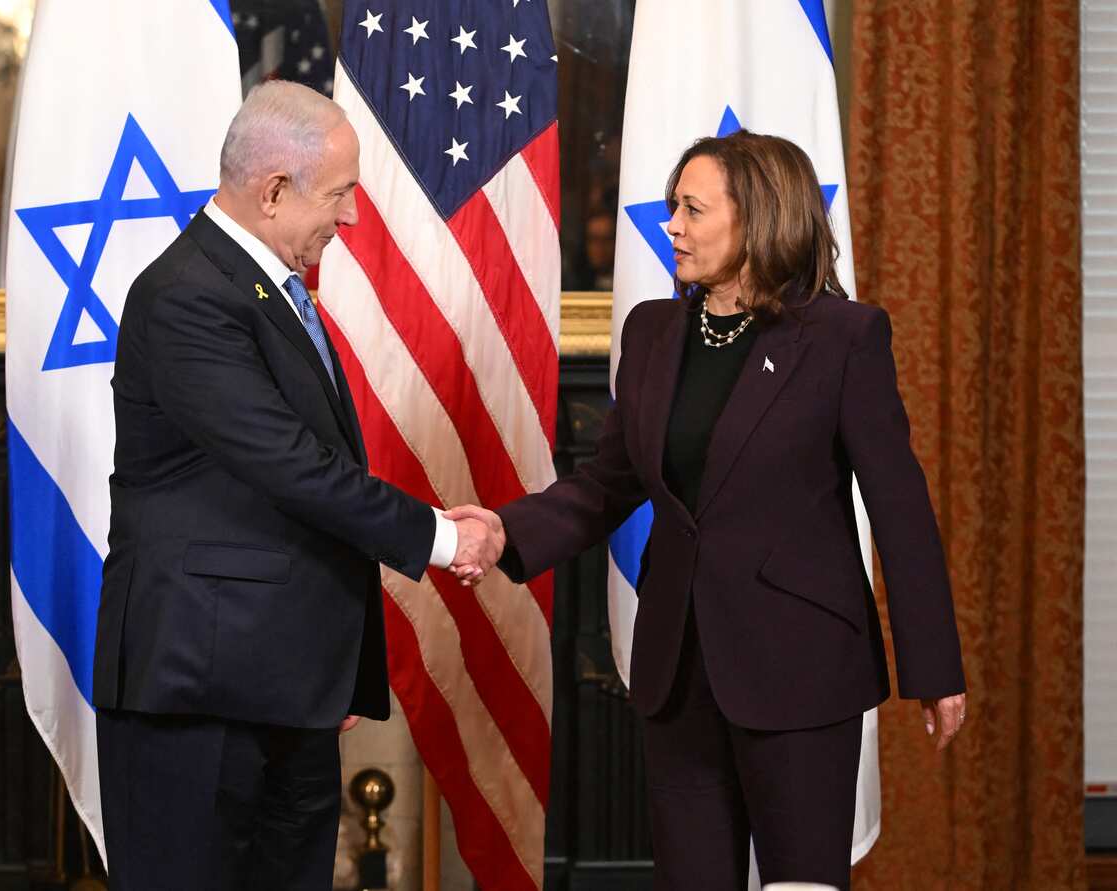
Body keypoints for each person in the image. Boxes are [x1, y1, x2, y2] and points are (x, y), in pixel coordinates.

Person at [448, 130, 967, 890]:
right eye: (672, 207)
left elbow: (899, 507)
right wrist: (502, 529)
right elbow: (606, 485)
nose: (672, 227)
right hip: (679, 669)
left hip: (800, 671)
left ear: (756, 218)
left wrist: (934, 665)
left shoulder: (842, 338)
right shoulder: (654, 331)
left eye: (691, 208)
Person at [91, 81, 503, 890]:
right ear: (273, 190)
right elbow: (290, 465)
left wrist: (329, 663)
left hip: (284, 687)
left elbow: (300, 485)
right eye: (341, 194)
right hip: (198, 691)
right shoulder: (185, 296)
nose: (351, 218)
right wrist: (446, 536)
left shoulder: (264, 290)